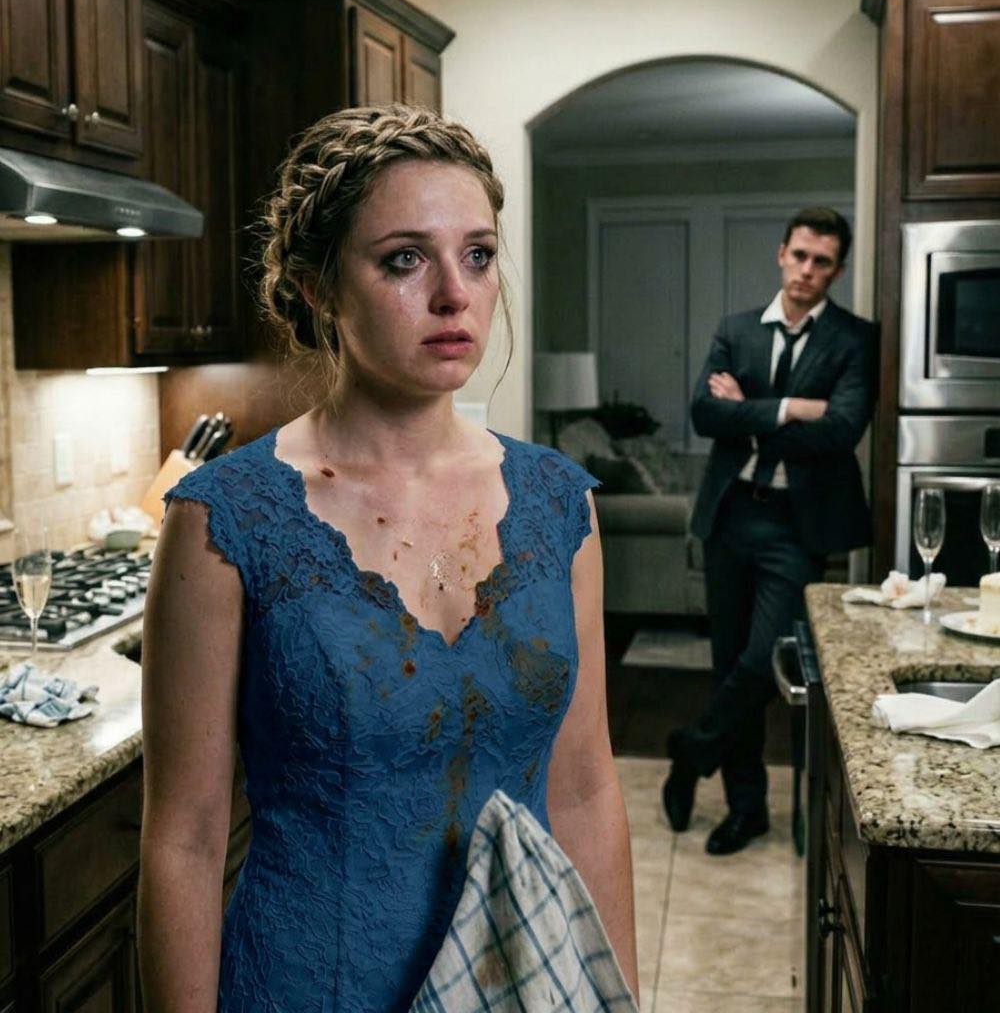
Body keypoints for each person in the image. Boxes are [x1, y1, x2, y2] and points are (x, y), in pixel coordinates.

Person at [136, 104, 639, 1012]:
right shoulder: (224, 520)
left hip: (518, 988)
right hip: (307, 984)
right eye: (405, 259)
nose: (455, 294)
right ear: (317, 289)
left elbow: (586, 790)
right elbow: (186, 838)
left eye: (477, 255)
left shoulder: (561, 505)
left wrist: (617, 1000)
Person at [662, 206, 876, 855]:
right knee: (730, 662)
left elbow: (841, 429)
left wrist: (749, 415)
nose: (807, 270)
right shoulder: (736, 330)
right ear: (782, 253)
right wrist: (789, 408)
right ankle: (746, 809)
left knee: (763, 661)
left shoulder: (855, 339)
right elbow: (705, 414)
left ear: (837, 271)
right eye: (800, 255)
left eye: (822, 262)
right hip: (731, 514)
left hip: (795, 525)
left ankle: (691, 751)